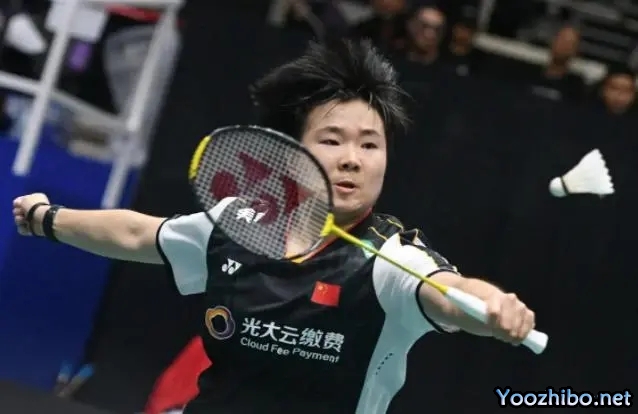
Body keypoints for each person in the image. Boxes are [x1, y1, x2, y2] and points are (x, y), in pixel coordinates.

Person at [12, 39, 536, 413]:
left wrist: (494, 306)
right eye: (332, 140)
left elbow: (446, 292)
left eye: (370, 144)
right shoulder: (238, 224)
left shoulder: (388, 260)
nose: (352, 159)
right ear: (291, 154)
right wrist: (46, 218)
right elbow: (137, 234)